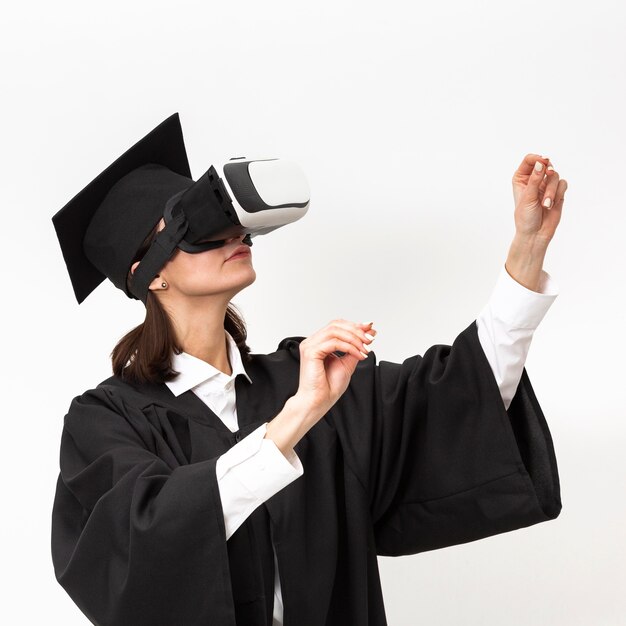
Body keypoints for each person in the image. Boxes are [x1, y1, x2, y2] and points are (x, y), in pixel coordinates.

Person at [50, 114, 566, 626]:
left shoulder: (306, 374)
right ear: (148, 276)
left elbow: (462, 397)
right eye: (198, 228)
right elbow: (144, 544)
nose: (234, 236)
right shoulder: (108, 420)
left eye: (233, 223)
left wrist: (526, 251)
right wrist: (296, 418)